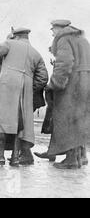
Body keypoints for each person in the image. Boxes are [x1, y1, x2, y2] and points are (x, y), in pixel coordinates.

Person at [0, 28, 48, 166]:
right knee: (19, 124)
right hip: (25, 90)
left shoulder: (10, 44)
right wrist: (29, 88)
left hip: (6, 85)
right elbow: (43, 78)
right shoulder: (36, 53)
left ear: (15, 36)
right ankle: (15, 157)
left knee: (1, 121)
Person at [45, 20, 90, 169]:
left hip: (72, 82)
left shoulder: (64, 39)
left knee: (67, 117)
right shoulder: (82, 39)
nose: (52, 33)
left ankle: (71, 159)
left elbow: (65, 63)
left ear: (60, 29)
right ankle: (79, 157)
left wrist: (55, 83)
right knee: (78, 119)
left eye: (53, 29)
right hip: (85, 81)